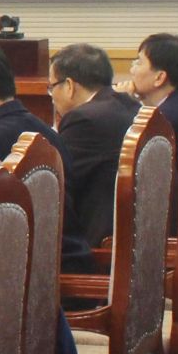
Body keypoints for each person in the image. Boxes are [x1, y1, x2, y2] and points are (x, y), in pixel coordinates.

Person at [49, 43, 140, 272]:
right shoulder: (129, 105)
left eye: (52, 87)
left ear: (69, 86)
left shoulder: (84, 120)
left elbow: (58, 182)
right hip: (134, 233)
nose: (51, 97)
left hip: (99, 245)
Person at [125, 33, 178, 148]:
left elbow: (133, 153)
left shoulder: (163, 120)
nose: (132, 70)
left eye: (139, 63)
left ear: (159, 78)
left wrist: (125, 105)